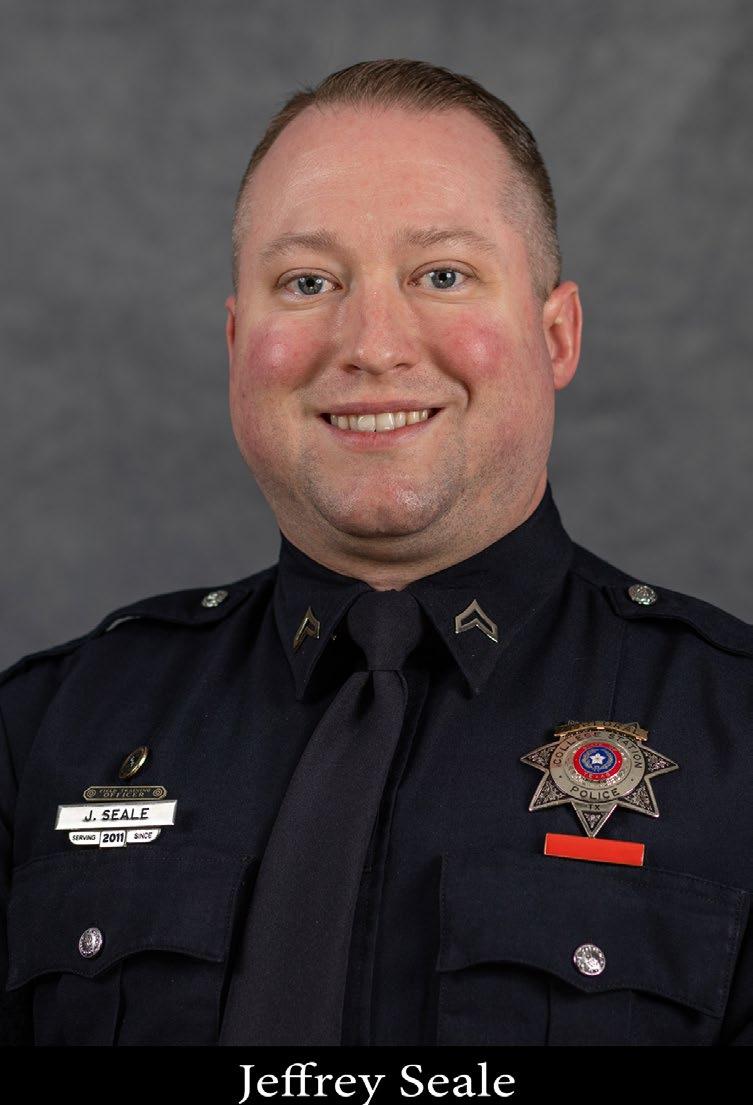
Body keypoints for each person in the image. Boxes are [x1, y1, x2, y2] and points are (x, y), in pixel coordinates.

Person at [1, 57, 752, 1048]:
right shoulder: (44, 733)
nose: (372, 343)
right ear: (237, 342)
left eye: (442, 275)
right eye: (308, 282)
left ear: (556, 335)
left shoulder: (739, 736)